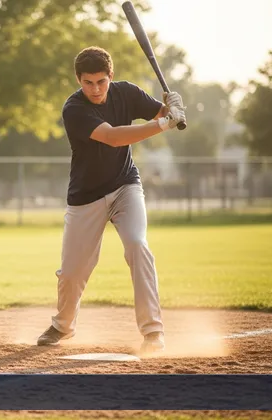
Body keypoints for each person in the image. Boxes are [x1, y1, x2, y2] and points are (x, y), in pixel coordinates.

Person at [36, 47, 186, 354]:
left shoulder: (126, 93)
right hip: (85, 197)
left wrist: (171, 106)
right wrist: (164, 123)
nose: (95, 89)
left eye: (101, 81)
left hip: (125, 186)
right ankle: (62, 326)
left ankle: (153, 332)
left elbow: (158, 113)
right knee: (73, 272)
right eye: (87, 82)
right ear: (78, 80)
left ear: (111, 76)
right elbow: (115, 136)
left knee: (137, 245)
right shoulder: (74, 109)